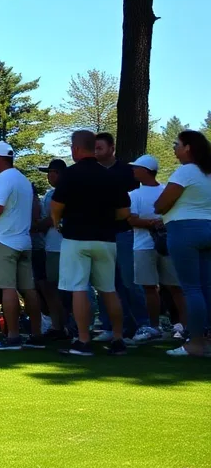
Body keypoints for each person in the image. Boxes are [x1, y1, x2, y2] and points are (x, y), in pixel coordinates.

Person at [52, 130, 131, 357]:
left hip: (76, 237)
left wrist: (58, 224)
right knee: (108, 289)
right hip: (106, 238)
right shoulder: (110, 175)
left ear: (76, 148)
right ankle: (118, 338)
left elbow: (56, 206)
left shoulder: (70, 174)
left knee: (78, 288)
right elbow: (124, 211)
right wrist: (105, 220)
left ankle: (84, 341)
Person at [0, 141, 46, 351]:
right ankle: (36, 335)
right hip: (24, 241)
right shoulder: (23, 180)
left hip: (4, 240)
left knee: (7, 288)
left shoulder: (2, 179)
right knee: (29, 289)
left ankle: (13, 337)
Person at [153, 130, 211, 357]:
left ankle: (195, 343)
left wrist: (161, 208)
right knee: (207, 287)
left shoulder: (186, 171)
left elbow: (161, 204)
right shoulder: (208, 173)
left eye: (177, 144)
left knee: (192, 288)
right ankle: (207, 341)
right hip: (208, 229)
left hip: (185, 230)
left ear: (188, 147)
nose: (174, 148)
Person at [126, 155, 187, 344]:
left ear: (146, 171)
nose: (133, 171)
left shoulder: (156, 192)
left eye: (136, 168)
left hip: (158, 246)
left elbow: (133, 219)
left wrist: (152, 223)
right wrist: (155, 223)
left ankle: (184, 326)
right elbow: (131, 219)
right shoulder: (135, 194)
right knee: (151, 288)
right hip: (147, 246)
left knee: (174, 287)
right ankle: (155, 327)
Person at [93, 132, 145, 337]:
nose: (96, 152)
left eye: (100, 148)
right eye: (94, 148)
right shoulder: (91, 171)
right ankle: (109, 326)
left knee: (129, 281)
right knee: (105, 282)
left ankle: (142, 324)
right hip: (100, 233)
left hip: (124, 232)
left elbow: (131, 202)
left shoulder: (127, 172)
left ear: (112, 148)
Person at [35, 159, 73, 338]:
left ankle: (66, 326)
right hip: (52, 245)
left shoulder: (61, 193)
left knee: (62, 289)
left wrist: (35, 226)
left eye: (52, 172)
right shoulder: (50, 194)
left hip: (60, 246)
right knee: (54, 287)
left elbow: (51, 218)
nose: (49, 176)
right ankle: (59, 325)